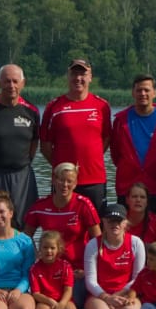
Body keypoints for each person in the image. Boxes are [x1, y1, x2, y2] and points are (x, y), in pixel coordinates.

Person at [23, 162, 101, 306]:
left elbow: (98, 241)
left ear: (76, 183)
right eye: (61, 180)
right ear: (53, 180)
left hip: (77, 270)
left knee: (74, 308)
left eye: (69, 181)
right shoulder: (40, 206)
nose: (64, 185)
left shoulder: (83, 205)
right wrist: (37, 257)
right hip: (50, 271)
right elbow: (25, 239)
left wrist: (88, 269)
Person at [40, 57, 112, 210]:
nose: (78, 78)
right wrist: (62, 167)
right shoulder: (53, 107)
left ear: (90, 77)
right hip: (63, 182)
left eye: (83, 74)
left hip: (94, 179)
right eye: (74, 74)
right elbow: (45, 146)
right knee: (62, 228)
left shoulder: (102, 106)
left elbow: (105, 140)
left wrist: (89, 158)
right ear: (68, 76)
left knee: (97, 229)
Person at [84, 202, 145, 309]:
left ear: (126, 223)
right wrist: (106, 297)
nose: (114, 225)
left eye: (119, 221)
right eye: (110, 220)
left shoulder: (136, 243)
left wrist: (118, 295)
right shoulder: (93, 245)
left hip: (127, 293)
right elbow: (90, 281)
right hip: (98, 295)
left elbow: (138, 278)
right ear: (103, 221)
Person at [0, 63, 40, 231]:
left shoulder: (32, 111)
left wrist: (22, 162)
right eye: (6, 81)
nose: (11, 86)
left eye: (15, 81)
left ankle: (22, 255)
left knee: (23, 223)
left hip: (21, 175)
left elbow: (34, 143)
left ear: (23, 83)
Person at [111, 74, 156, 219]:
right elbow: (115, 155)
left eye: (146, 90)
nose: (143, 94)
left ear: (154, 92)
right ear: (133, 93)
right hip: (127, 187)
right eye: (139, 90)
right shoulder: (121, 121)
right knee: (125, 232)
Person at [124, 181, 156, 245]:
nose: (138, 200)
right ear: (127, 200)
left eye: (142, 197)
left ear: (147, 202)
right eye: (134, 196)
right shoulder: (119, 222)